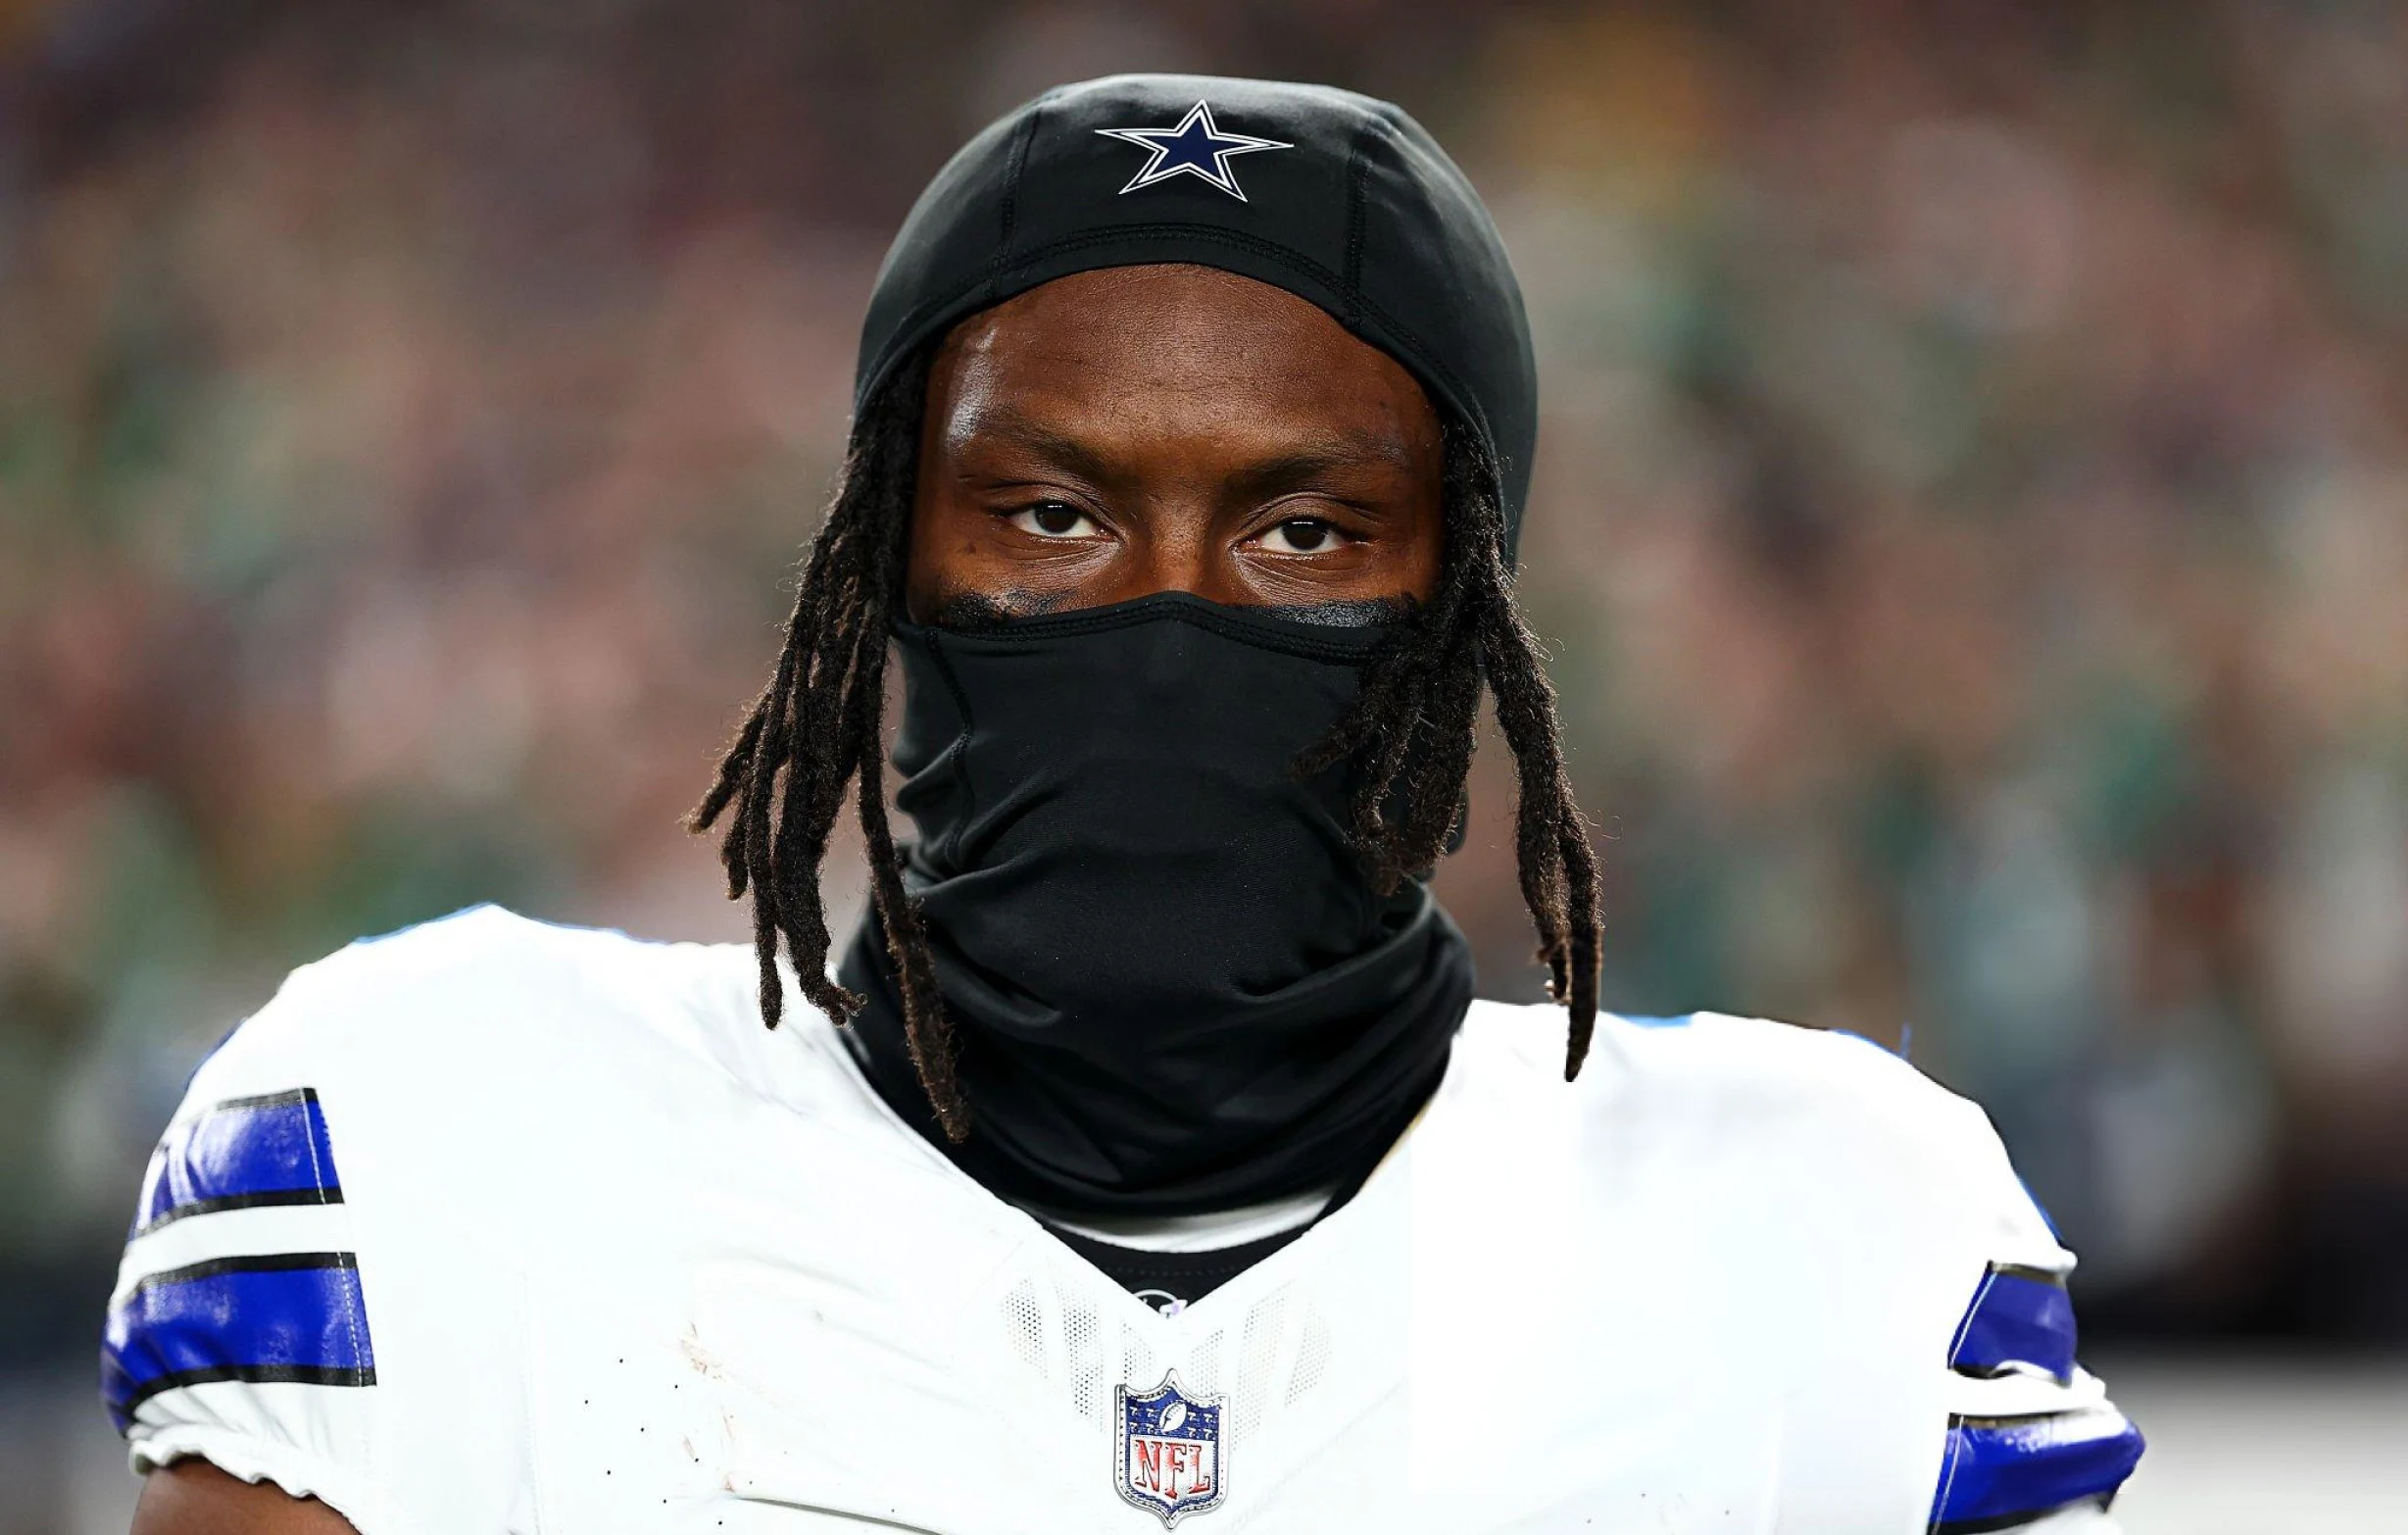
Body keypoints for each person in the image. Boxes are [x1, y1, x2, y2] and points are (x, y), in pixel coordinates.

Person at [107, 74, 2141, 1533]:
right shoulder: (448, 1130)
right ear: (880, 566)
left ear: (1466, 613)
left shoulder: (1818, 1226)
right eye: (1053, 515)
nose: (1166, 617)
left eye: (1303, 534)